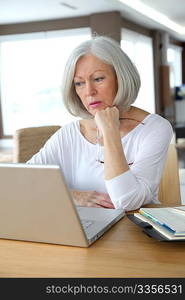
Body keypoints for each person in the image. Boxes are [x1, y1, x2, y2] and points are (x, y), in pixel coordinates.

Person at [27, 36, 173, 211]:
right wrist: (73, 196)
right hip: (84, 231)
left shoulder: (155, 128)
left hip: (134, 230)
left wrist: (109, 130)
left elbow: (127, 202)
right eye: (79, 83)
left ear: (121, 77)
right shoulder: (70, 134)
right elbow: (24, 181)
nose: (89, 91)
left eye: (98, 79)